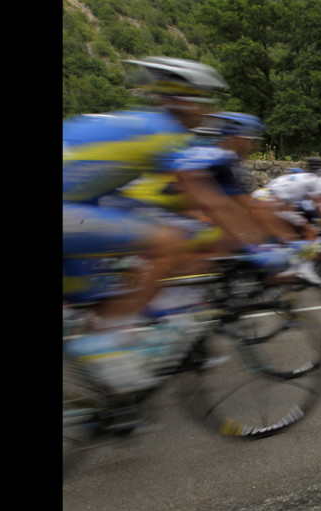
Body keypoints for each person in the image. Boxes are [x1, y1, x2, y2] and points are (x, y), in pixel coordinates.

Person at [63, 56, 242, 399]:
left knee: (99, 296)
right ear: (185, 100)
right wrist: (261, 247)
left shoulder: (137, 123)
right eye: (207, 99)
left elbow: (120, 192)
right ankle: (104, 343)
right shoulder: (167, 134)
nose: (211, 109)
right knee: (168, 240)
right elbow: (207, 201)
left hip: (76, 205)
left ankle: (108, 405)